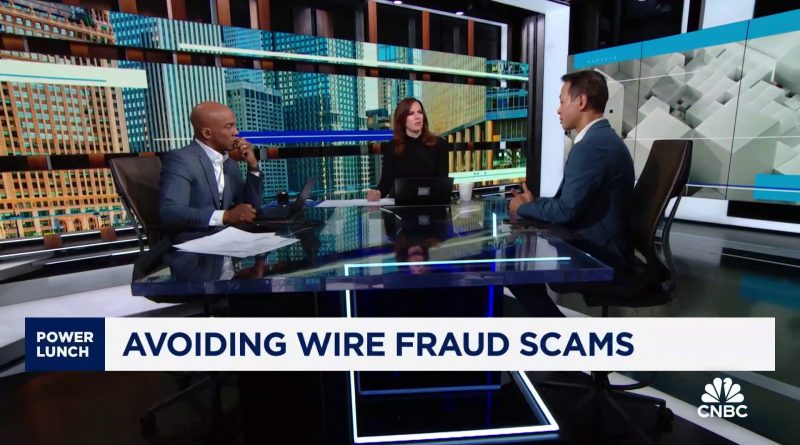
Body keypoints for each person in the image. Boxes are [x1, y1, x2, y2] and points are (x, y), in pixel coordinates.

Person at [508, 70, 635, 316]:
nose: (558, 110)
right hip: (604, 244)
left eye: (562, 101)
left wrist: (521, 207)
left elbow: (565, 211)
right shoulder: (603, 139)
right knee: (523, 259)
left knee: (515, 267)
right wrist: (535, 203)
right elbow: (571, 203)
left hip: (599, 253)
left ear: (581, 101)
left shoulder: (590, 147)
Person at [159, 101, 263, 240]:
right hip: (194, 242)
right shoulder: (181, 160)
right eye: (229, 126)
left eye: (235, 125)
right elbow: (170, 212)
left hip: (226, 240)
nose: (236, 132)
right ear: (207, 133)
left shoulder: (229, 163)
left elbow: (250, 208)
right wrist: (225, 216)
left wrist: (253, 165)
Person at [367, 98, 449, 200]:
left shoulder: (439, 144)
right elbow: (385, 184)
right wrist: (376, 193)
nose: (417, 117)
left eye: (420, 112)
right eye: (411, 113)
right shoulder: (393, 147)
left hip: (432, 204)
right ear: (402, 119)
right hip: (401, 206)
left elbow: (443, 184)